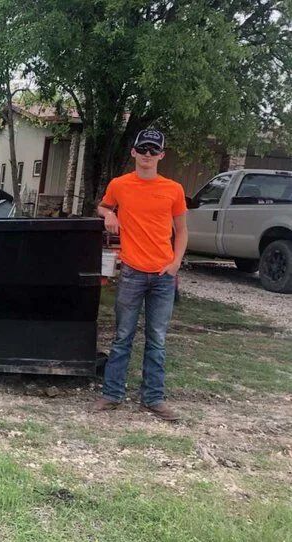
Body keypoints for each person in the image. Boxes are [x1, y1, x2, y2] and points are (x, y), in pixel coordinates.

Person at [91, 129, 188, 421]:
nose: (147, 155)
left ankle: (153, 398)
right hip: (132, 272)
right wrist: (109, 215)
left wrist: (175, 264)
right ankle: (112, 394)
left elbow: (182, 230)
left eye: (153, 150)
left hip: (163, 275)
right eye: (142, 149)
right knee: (123, 336)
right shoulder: (120, 185)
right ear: (133, 152)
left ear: (161, 155)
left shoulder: (173, 189)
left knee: (157, 339)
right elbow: (103, 205)